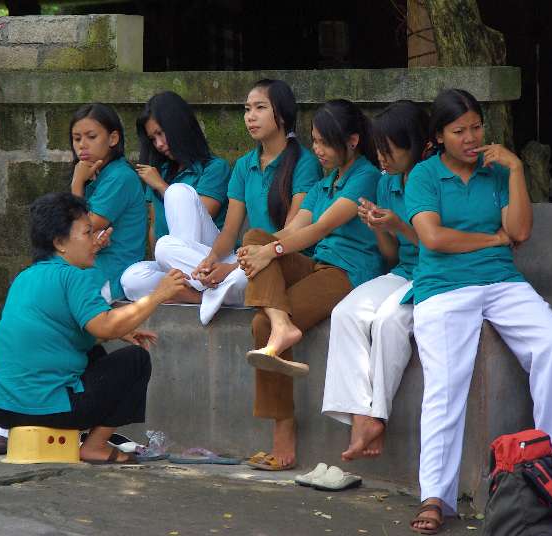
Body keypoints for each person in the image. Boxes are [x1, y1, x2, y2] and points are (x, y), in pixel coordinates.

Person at [406, 89, 552, 534]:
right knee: (446, 382)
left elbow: (520, 230)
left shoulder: (497, 170)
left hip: (502, 281)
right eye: (458, 131)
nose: (470, 138)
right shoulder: (424, 175)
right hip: (443, 286)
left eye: (476, 127)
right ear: (439, 137)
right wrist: (492, 239)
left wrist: (516, 169)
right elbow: (434, 238)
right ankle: (435, 496)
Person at [236, 99, 383, 471]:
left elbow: (320, 228)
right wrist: (258, 251)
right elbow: (292, 230)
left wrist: (270, 252)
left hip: (348, 274)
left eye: (324, 142)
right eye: (314, 141)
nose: (316, 149)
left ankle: (283, 432)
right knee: (255, 236)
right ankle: (282, 324)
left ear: (352, 141)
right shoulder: (324, 183)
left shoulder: (366, 176)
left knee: (260, 323)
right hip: (316, 265)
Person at [0, 192, 187, 463]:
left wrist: (118, 331)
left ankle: (89, 441)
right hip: (48, 409)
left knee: (94, 354)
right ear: (60, 243)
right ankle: (95, 446)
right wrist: (158, 295)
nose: (96, 241)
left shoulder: (25, 277)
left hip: (2, 411)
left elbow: (56, 335)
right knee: (136, 360)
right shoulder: (73, 277)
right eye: (88, 233)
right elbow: (106, 326)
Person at [321, 100, 428, 461]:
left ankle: (377, 417)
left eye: (389, 149)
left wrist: (398, 224)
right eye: (378, 149)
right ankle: (360, 415)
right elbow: (391, 255)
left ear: (415, 143)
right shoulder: (387, 183)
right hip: (403, 271)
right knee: (346, 313)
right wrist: (379, 227)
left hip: (435, 273)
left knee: (386, 322)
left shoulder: (431, 177)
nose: (381, 158)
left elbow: (435, 243)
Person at [189, 79, 323, 323]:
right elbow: (229, 231)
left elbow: (293, 233)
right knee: (165, 248)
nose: (250, 116)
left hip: (284, 258)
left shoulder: (305, 163)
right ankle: (211, 286)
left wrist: (232, 268)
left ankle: (200, 292)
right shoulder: (244, 165)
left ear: (281, 114)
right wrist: (211, 260)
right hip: (247, 257)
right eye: (247, 109)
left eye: (260, 108)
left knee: (242, 276)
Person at [120, 91, 233, 314]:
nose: (159, 144)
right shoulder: (160, 171)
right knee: (131, 279)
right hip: (176, 260)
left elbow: (200, 216)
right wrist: (165, 261)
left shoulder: (214, 168)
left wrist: (162, 186)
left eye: (161, 134)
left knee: (178, 193)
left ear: (179, 125)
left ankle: (201, 282)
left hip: (210, 257)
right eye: (153, 139)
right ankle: (199, 296)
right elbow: (155, 228)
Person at [69, 103, 147, 302]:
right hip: (90, 270)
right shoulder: (95, 174)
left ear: (113, 138)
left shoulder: (119, 177)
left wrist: (77, 183)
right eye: (77, 138)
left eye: (91, 136)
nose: (82, 145)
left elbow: (81, 228)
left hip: (111, 274)